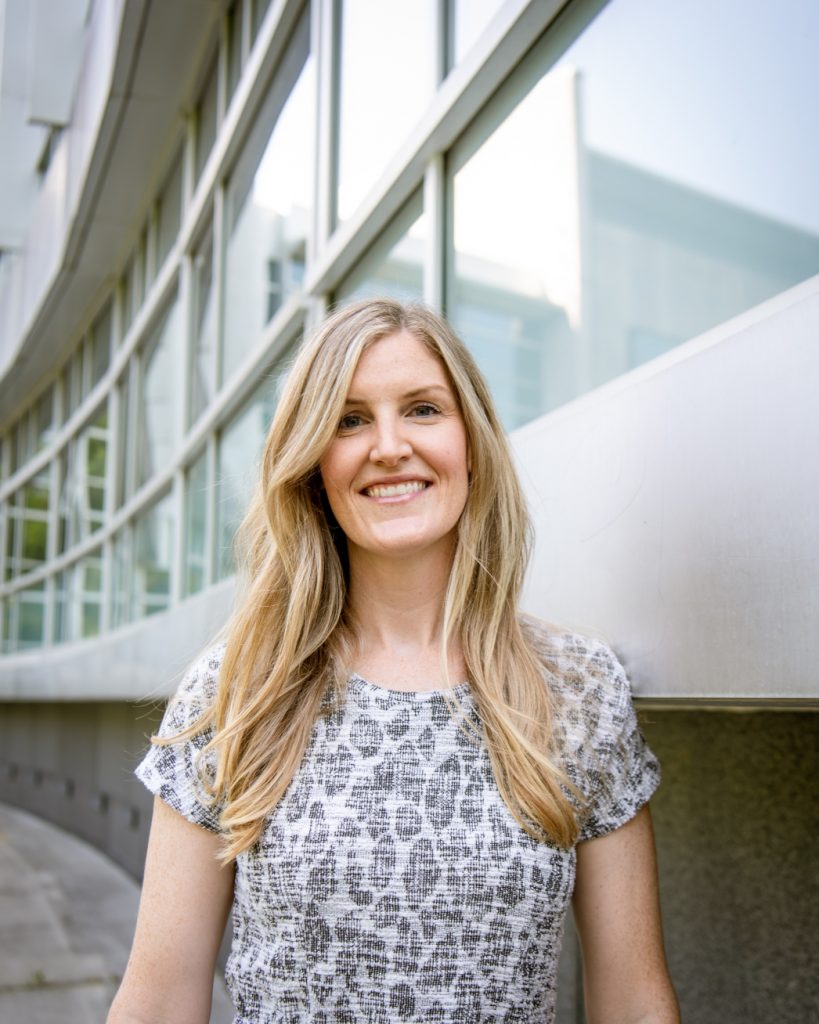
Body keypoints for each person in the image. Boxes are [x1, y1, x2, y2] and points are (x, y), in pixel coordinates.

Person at [108, 299, 679, 1024]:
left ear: (470, 440)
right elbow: (159, 1000)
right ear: (314, 464)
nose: (387, 446)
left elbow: (632, 999)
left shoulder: (577, 689)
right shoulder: (238, 691)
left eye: (422, 409)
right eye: (349, 420)